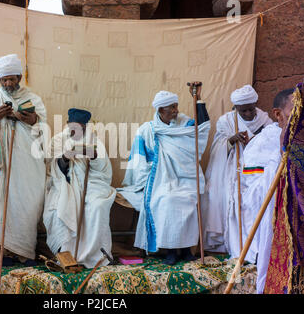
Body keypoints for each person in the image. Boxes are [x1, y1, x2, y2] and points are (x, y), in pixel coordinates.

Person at [117, 84, 211, 265]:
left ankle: (185, 250)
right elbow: (138, 159)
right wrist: (143, 182)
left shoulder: (184, 123)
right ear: (161, 110)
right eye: (172, 108)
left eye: (176, 106)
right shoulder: (148, 130)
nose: (176, 111)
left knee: (189, 198)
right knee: (166, 200)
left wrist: (198, 99)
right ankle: (170, 250)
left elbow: (203, 128)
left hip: (185, 176)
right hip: (159, 178)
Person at [0, 54, 46, 266]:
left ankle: (25, 252)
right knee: (6, 204)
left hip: (29, 162)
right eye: (4, 80)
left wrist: (24, 117)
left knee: (28, 203)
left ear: (19, 77)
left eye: (12, 79)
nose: (8, 83)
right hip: (3, 163)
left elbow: (41, 126)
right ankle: (8, 253)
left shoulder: (34, 99)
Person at [202, 84, 273, 256]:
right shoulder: (226, 121)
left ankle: (253, 249)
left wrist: (256, 142)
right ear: (236, 109)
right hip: (232, 172)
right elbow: (216, 150)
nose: (248, 114)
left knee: (253, 208)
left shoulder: (265, 120)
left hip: (256, 173)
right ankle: (233, 247)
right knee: (232, 206)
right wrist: (231, 140)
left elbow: (271, 145)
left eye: (251, 110)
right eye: (243, 111)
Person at [43, 109, 116, 268]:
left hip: (91, 185)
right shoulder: (58, 141)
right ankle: (68, 256)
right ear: (68, 124)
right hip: (64, 184)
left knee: (97, 206)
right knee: (60, 208)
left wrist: (93, 156)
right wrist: (64, 158)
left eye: (81, 128)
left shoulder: (94, 141)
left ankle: (96, 256)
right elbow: (52, 169)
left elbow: (104, 171)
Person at [239, 89, 294, 293]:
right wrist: (278, 161)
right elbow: (253, 191)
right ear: (278, 114)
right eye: (294, 110)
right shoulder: (263, 142)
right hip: (277, 217)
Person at [264, 81, 304, 294]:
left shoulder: (299, 139)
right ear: (278, 114)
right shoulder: (286, 138)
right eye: (295, 111)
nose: (299, 119)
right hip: (286, 216)